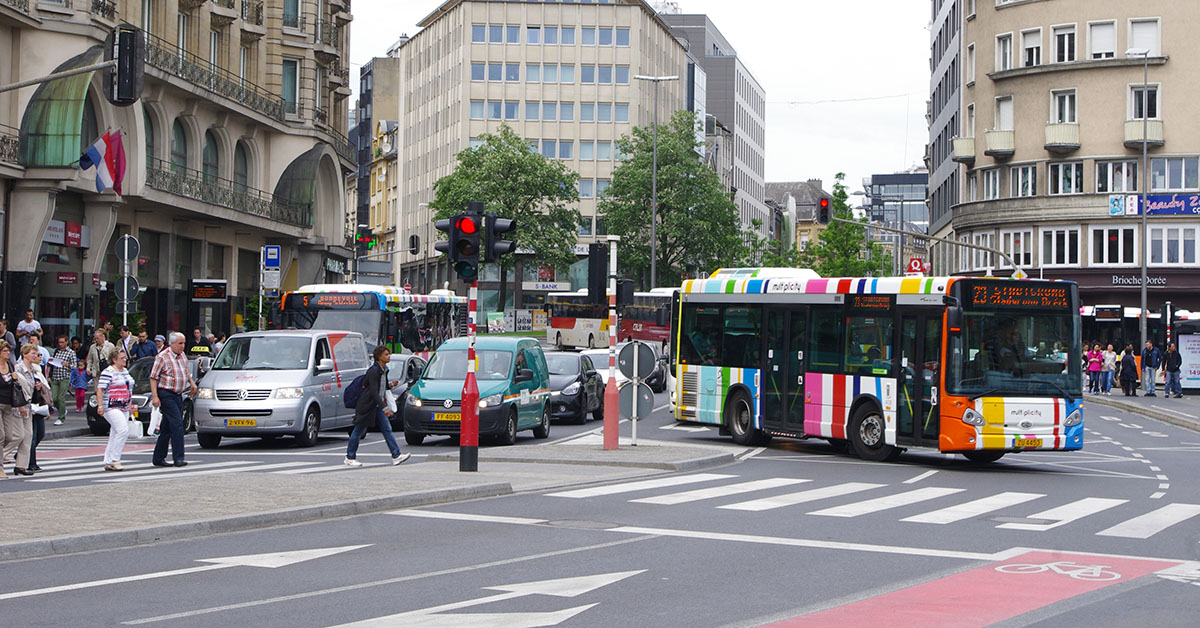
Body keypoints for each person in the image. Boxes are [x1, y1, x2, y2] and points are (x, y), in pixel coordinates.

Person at [344, 345, 410, 467]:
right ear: (379, 357)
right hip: (367, 405)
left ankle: (396, 455)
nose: (388, 356)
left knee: (387, 429)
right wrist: (385, 408)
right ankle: (349, 457)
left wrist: (391, 385)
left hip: (377, 406)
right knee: (358, 430)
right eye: (386, 354)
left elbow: (382, 388)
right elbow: (374, 392)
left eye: (389, 354)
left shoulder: (383, 370)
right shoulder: (373, 371)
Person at [149, 332, 197, 467]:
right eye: (180, 343)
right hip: (166, 393)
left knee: (167, 427)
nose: (183, 346)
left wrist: (192, 383)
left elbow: (186, 373)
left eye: (184, 343)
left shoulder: (182, 356)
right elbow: (153, 377)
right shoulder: (162, 357)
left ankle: (158, 457)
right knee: (177, 424)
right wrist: (155, 396)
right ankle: (178, 457)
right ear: (172, 344)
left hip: (178, 394)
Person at [96, 350, 134, 471]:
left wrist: (130, 405)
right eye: (122, 358)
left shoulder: (125, 371)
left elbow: (129, 390)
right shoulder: (108, 372)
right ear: (114, 359)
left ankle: (108, 460)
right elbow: (100, 389)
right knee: (123, 430)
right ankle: (115, 459)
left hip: (124, 405)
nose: (125, 360)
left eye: (125, 358)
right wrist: (100, 405)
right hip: (111, 405)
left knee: (115, 432)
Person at [15, 343, 49, 474]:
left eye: (37, 354)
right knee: (18, 436)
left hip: (32, 406)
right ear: (24, 354)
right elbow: (17, 388)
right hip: (20, 406)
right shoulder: (19, 369)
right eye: (33, 353)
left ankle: (21, 465)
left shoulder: (35, 369)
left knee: (30, 435)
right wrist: (21, 405)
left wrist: (38, 387)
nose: (36, 356)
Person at [0, 343, 21, 479]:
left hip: (9, 404)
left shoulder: (11, 366)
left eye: (9, 351)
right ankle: (0, 467)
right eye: (5, 351)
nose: (8, 353)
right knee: (0, 436)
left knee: (10, 436)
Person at [49, 335, 76, 425]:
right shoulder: (56, 351)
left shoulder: (71, 352)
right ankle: (62, 409)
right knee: (54, 398)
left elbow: (74, 366)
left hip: (64, 377)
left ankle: (61, 417)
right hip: (55, 376)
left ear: (67, 342)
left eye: (62, 342)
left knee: (61, 398)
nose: (60, 344)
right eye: (59, 342)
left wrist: (67, 365)